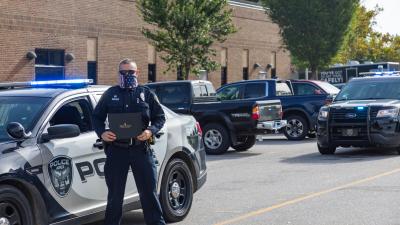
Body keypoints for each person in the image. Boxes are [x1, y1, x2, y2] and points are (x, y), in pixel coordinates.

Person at [93, 59, 166, 225]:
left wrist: (150, 131)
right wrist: (102, 133)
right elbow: (96, 117)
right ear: (118, 74)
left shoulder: (146, 94)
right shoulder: (110, 94)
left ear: (137, 73)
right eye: (123, 72)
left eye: (131, 72)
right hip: (117, 151)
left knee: (149, 194)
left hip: (142, 150)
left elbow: (160, 117)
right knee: (115, 197)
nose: (127, 75)